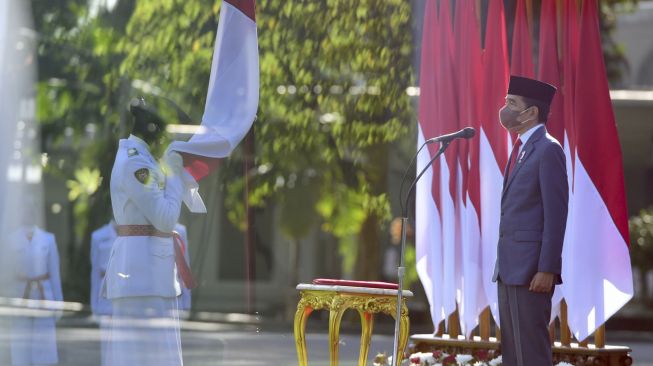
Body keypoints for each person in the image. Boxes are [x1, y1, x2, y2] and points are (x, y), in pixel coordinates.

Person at [102, 97, 195, 366]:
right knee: (146, 357)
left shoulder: (141, 159)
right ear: (152, 131)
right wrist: (175, 175)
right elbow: (166, 219)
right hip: (143, 275)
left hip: (145, 273)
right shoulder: (136, 163)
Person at [492, 76, 568, 366]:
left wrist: (547, 268)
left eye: (512, 103)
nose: (505, 109)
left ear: (532, 111)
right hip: (509, 267)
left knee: (531, 352)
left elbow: (556, 215)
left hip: (531, 271)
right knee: (513, 351)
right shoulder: (521, 148)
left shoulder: (548, 150)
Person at [9, 215, 63, 366]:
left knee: (44, 342)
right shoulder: (10, 240)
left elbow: (55, 274)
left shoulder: (48, 239)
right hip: (20, 295)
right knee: (20, 343)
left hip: (43, 294)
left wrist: (58, 304)